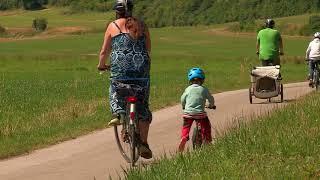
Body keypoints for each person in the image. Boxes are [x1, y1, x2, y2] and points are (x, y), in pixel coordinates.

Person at [97, 0, 152, 159]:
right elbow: (147, 49)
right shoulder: (142, 25)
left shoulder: (112, 26)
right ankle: (144, 143)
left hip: (120, 72)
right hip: (141, 72)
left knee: (115, 88)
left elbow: (103, 51)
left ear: (117, 11)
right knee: (143, 106)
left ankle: (118, 111)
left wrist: (101, 65)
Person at [178, 68, 215, 152]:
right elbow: (210, 98)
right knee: (206, 126)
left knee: (186, 126)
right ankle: (207, 140)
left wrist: (184, 106)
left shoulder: (188, 89)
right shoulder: (204, 89)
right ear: (202, 80)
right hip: (200, 114)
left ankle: (184, 137)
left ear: (190, 80)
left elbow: (182, 98)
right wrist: (211, 105)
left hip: (188, 113)